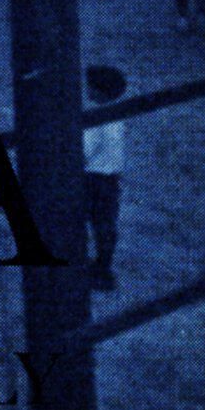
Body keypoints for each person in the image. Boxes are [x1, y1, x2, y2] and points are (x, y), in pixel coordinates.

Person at [82, 64, 127, 292]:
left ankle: (85, 266)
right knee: (105, 224)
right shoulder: (117, 115)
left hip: (92, 179)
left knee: (79, 219)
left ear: (99, 91)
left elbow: (84, 152)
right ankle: (103, 267)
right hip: (111, 179)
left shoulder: (96, 118)